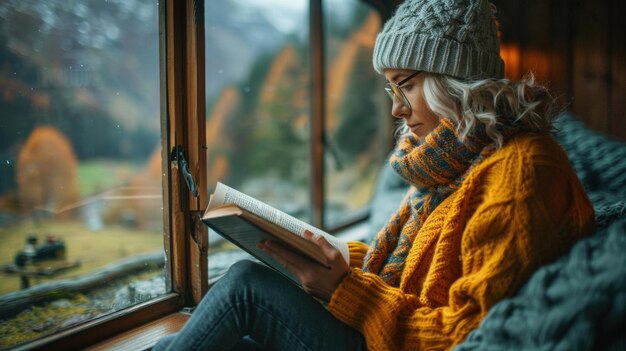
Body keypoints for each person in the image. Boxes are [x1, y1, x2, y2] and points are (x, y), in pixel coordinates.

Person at [153, 0, 595, 350]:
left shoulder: (519, 175)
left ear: (453, 78)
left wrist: (347, 290)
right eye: (391, 88)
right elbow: (418, 271)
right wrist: (339, 259)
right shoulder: (459, 161)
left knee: (245, 287)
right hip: (388, 330)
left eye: (406, 84)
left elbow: (472, 336)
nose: (397, 109)